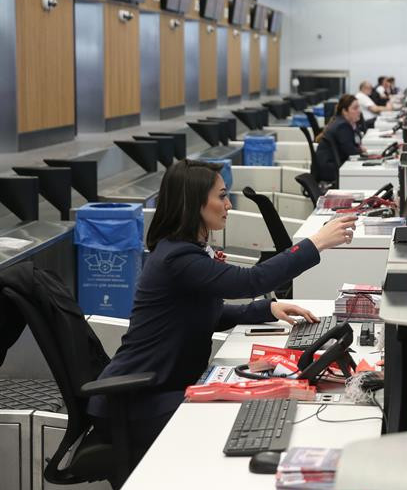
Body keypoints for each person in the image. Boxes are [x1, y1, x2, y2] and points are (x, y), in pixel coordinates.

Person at [87, 160, 357, 468]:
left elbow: (202, 314)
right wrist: (316, 242)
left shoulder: (179, 250)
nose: (228, 204)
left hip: (155, 390)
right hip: (138, 401)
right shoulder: (178, 258)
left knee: (253, 404)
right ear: (194, 203)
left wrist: (267, 308)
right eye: (222, 196)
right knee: (241, 416)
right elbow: (252, 280)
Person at [315, 94, 367, 182]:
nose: (359, 111)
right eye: (355, 108)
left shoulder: (342, 122)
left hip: (332, 166)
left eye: (359, 107)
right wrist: (361, 150)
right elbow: (350, 151)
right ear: (345, 111)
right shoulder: (342, 126)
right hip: (331, 170)